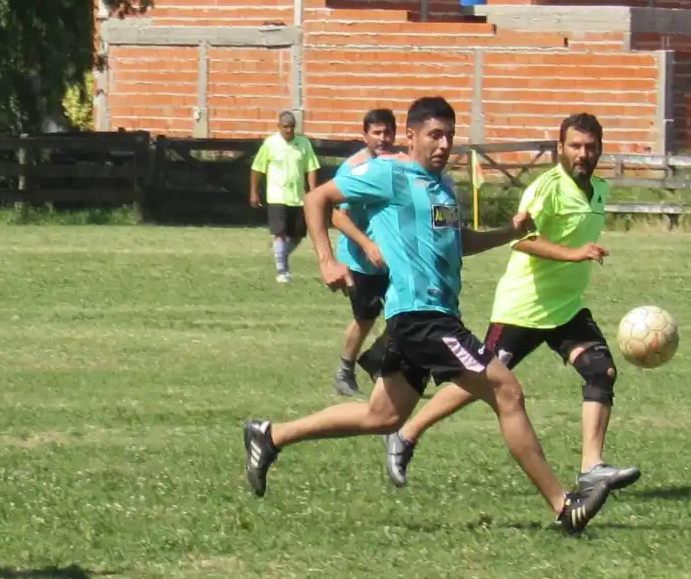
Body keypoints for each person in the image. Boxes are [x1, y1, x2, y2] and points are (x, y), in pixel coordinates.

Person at [242, 96, 613, 534]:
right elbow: (317, 197)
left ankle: (269, 435)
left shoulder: (445, 187)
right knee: (507, 391)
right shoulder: (390, 173)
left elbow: (459, 244)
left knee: (382, 416)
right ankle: (563, 505)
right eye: (434, 135)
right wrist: (326, 259)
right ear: (412, 136)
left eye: (450, 136)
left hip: (429, 316)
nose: (443, 144)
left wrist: (507, 234)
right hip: (421, 318)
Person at [383, 113, 640, 493]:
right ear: (560, 149)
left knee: (601, 372)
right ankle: (405, 433)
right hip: (523, 308)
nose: (583, 154)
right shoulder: (547, 188)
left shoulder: (598, 189)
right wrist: (574, 254)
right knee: (480, 380)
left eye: (590, 147)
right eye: (575, 146)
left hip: (565, 308)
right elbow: (522, 240)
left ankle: (592, 467)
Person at [332, 108, 396, 395]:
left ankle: (375, 358)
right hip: (361, 261)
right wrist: (367, 245)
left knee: (410, 314)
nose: (383, 138)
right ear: (365, 135)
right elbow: (337, 215)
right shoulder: (353, 170)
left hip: (392, 258)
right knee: (366, 317)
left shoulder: (397, 164)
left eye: (387, 132)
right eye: (377, 133)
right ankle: (344, 372)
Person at [250, 110, 320, 283]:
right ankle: (282, 270)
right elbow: (257, 168)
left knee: (298, 234)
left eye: (291, 127)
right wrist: (253, 191)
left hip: (298, 197)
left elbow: (311, 167)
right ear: (279, 126)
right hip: (277, 196)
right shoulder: (270, 143)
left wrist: (312, 192)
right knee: (280, 233)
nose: (289, 130)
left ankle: (279, 253)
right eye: (285, 127)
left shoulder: (303, 143)